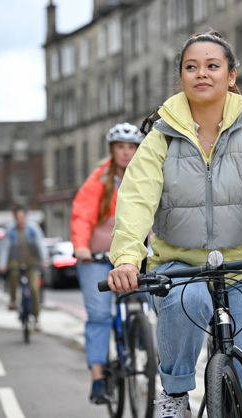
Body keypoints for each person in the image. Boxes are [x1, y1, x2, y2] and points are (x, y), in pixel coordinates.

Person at [106, 30, 242, 418]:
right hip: (178, 269)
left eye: (213, 66)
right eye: (191, 67)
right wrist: (126, 258)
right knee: (187, 299)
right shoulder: (159, 140)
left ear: (232, 76)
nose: (201, 73)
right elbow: (136, 200)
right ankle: (174, 394)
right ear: (181, 77)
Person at [70, 122, 144, 405]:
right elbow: (82, 216)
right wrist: (80, 246)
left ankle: (141, 338)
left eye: (131, 147)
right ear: (112, 151)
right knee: (100, 316)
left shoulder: (145, 176)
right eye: (120, 147)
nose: (126, 153)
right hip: (97, 258)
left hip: (135, 257)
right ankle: (98, 379)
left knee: (151, 301)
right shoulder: (98, 181)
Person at [0, 206, 49, 327]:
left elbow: (40, 244)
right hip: (16, 261)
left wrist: (44, 260)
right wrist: (2, 264)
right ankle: (13, 300)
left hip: (32, 262)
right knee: (13, 275)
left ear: (26, 217)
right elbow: (4, 248)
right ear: (15, 218)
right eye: (17, 217)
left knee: (34, 288)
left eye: (22, 216)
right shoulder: (10, 231)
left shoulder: (33, 229)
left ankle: (36, 318)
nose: (20, 219)